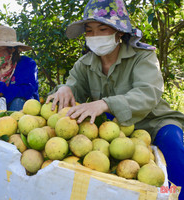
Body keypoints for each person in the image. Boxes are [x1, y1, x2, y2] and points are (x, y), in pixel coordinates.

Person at [46, 0, 184, 198]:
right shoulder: (84, 64)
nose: (95, 36)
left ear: (120, 32)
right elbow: (74, 87)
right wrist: (65, 89)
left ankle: (178, 195)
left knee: (173, 148)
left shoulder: (143, 56)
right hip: (115, 129)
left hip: (155, 122)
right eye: (89, 31)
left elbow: (148, 92)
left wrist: (105, 103)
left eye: (102, 29)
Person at [0, 25, 39, 111]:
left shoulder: (26, 64)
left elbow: (26, 91)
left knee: (18, 101)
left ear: (11, 49)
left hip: (25, 114)